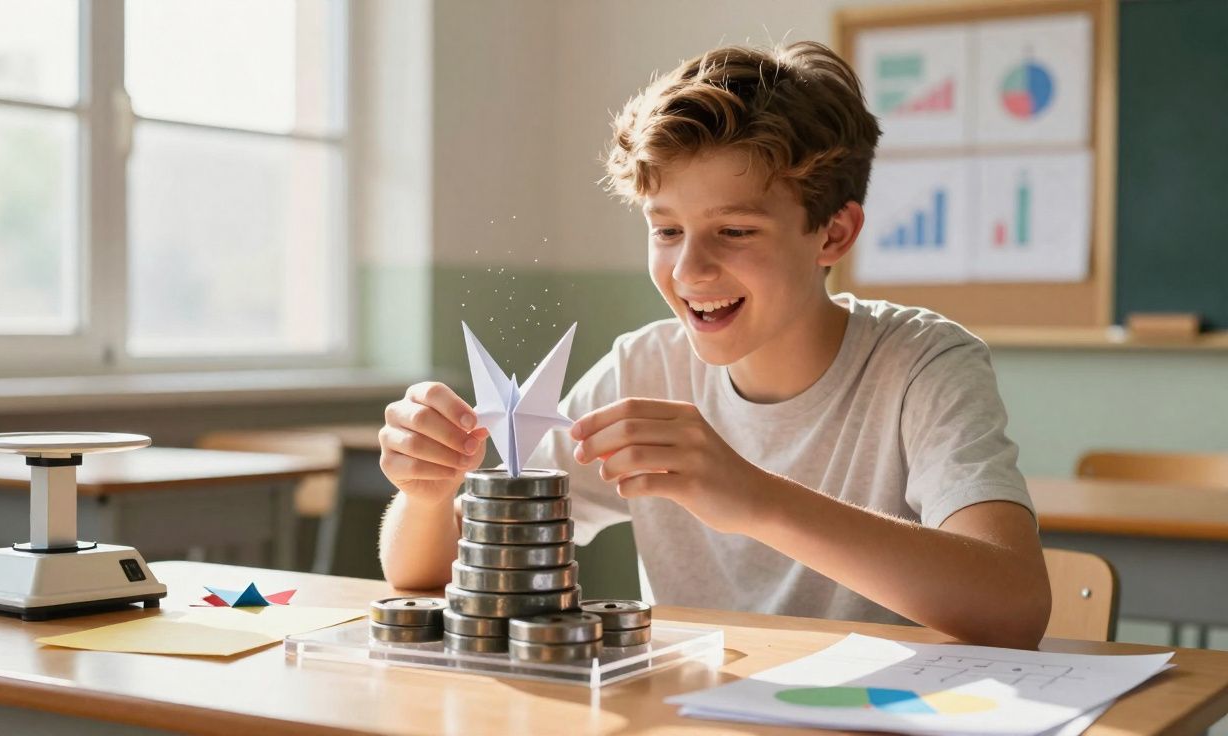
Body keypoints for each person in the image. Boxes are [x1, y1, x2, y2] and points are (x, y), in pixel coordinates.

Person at [376, 41, 1051, 649]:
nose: (689, 270)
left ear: (834, 235)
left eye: (734, 232)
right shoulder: (643, 367)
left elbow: (1015, 606)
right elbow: (430, 570)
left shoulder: (921, 365)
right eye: (666, 230)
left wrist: (753, 497)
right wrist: (428, 494)